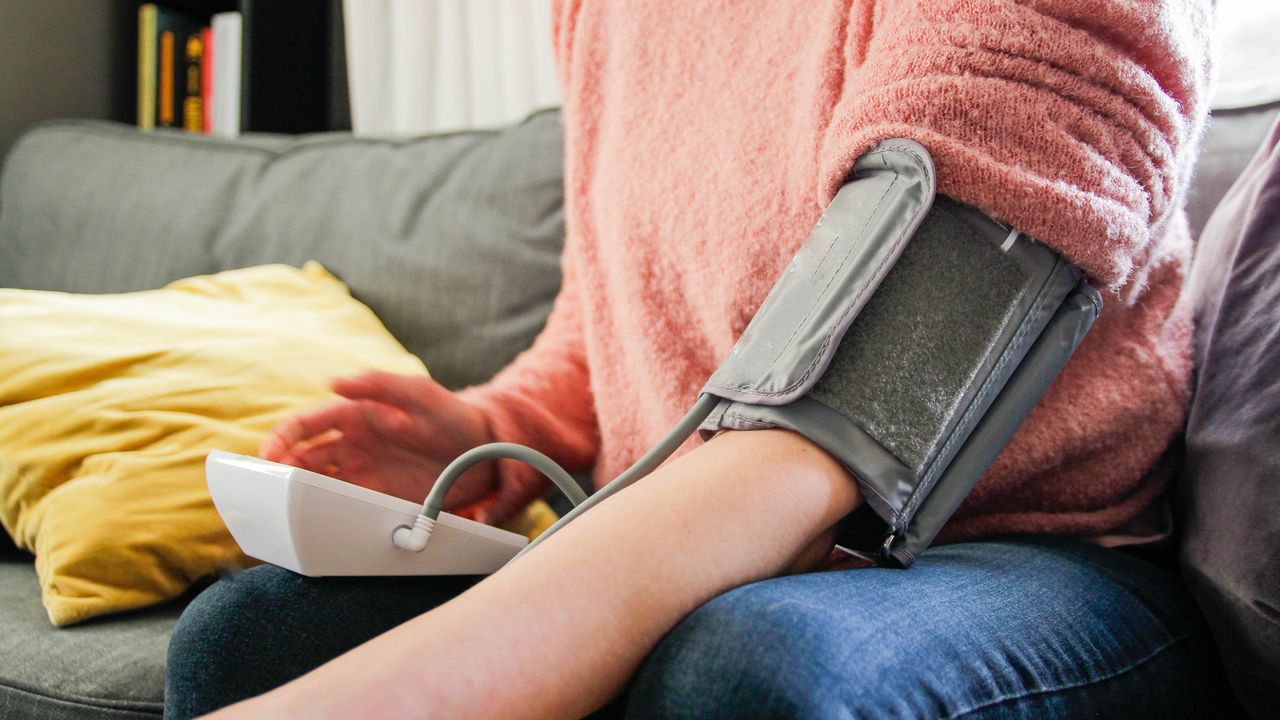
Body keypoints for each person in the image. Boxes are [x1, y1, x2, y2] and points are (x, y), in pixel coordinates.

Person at [165, 1, 1220, 718]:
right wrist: (495, 435)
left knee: (749, 675)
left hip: (1012, 548)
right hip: (718, 527)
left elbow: (831, 440)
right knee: (253, 636)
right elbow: (612, 318)